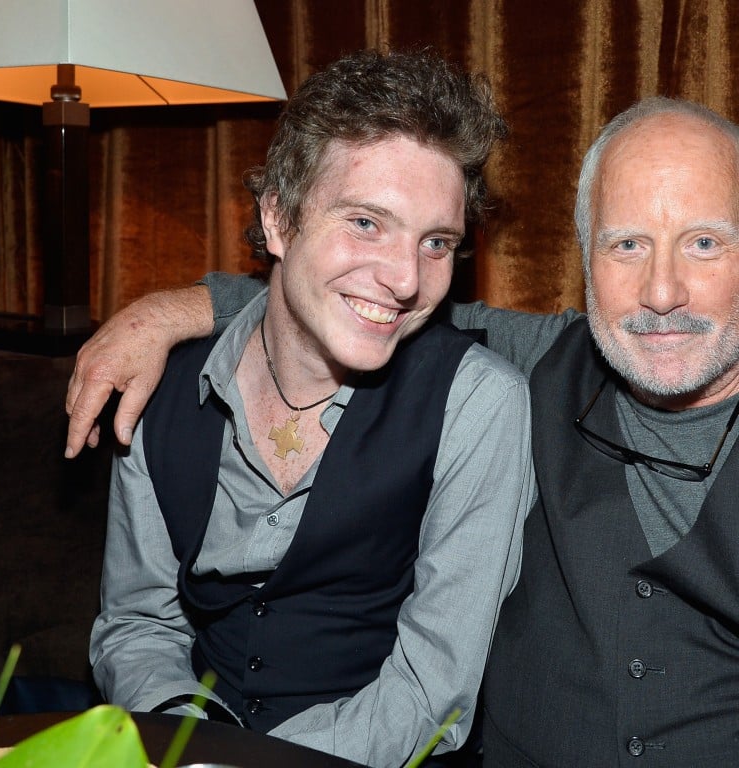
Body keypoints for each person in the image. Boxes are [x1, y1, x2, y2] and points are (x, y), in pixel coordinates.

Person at [69, 95, 739, 766]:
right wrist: (162, 313)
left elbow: (375, 301)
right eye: (627, 244)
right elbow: (341, 307)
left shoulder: (482, 396)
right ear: (588, 257)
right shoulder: (553, 358)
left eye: (705, 243)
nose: (661, 292)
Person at [86, 49, 535, 768]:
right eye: (366, 223)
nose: (404, 278)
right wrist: (186, 737)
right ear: (279, 219)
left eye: (437, 242)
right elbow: (138, 623)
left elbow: (431, 694)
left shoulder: (479, 404)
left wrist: (248, 763)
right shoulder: (158, 387)